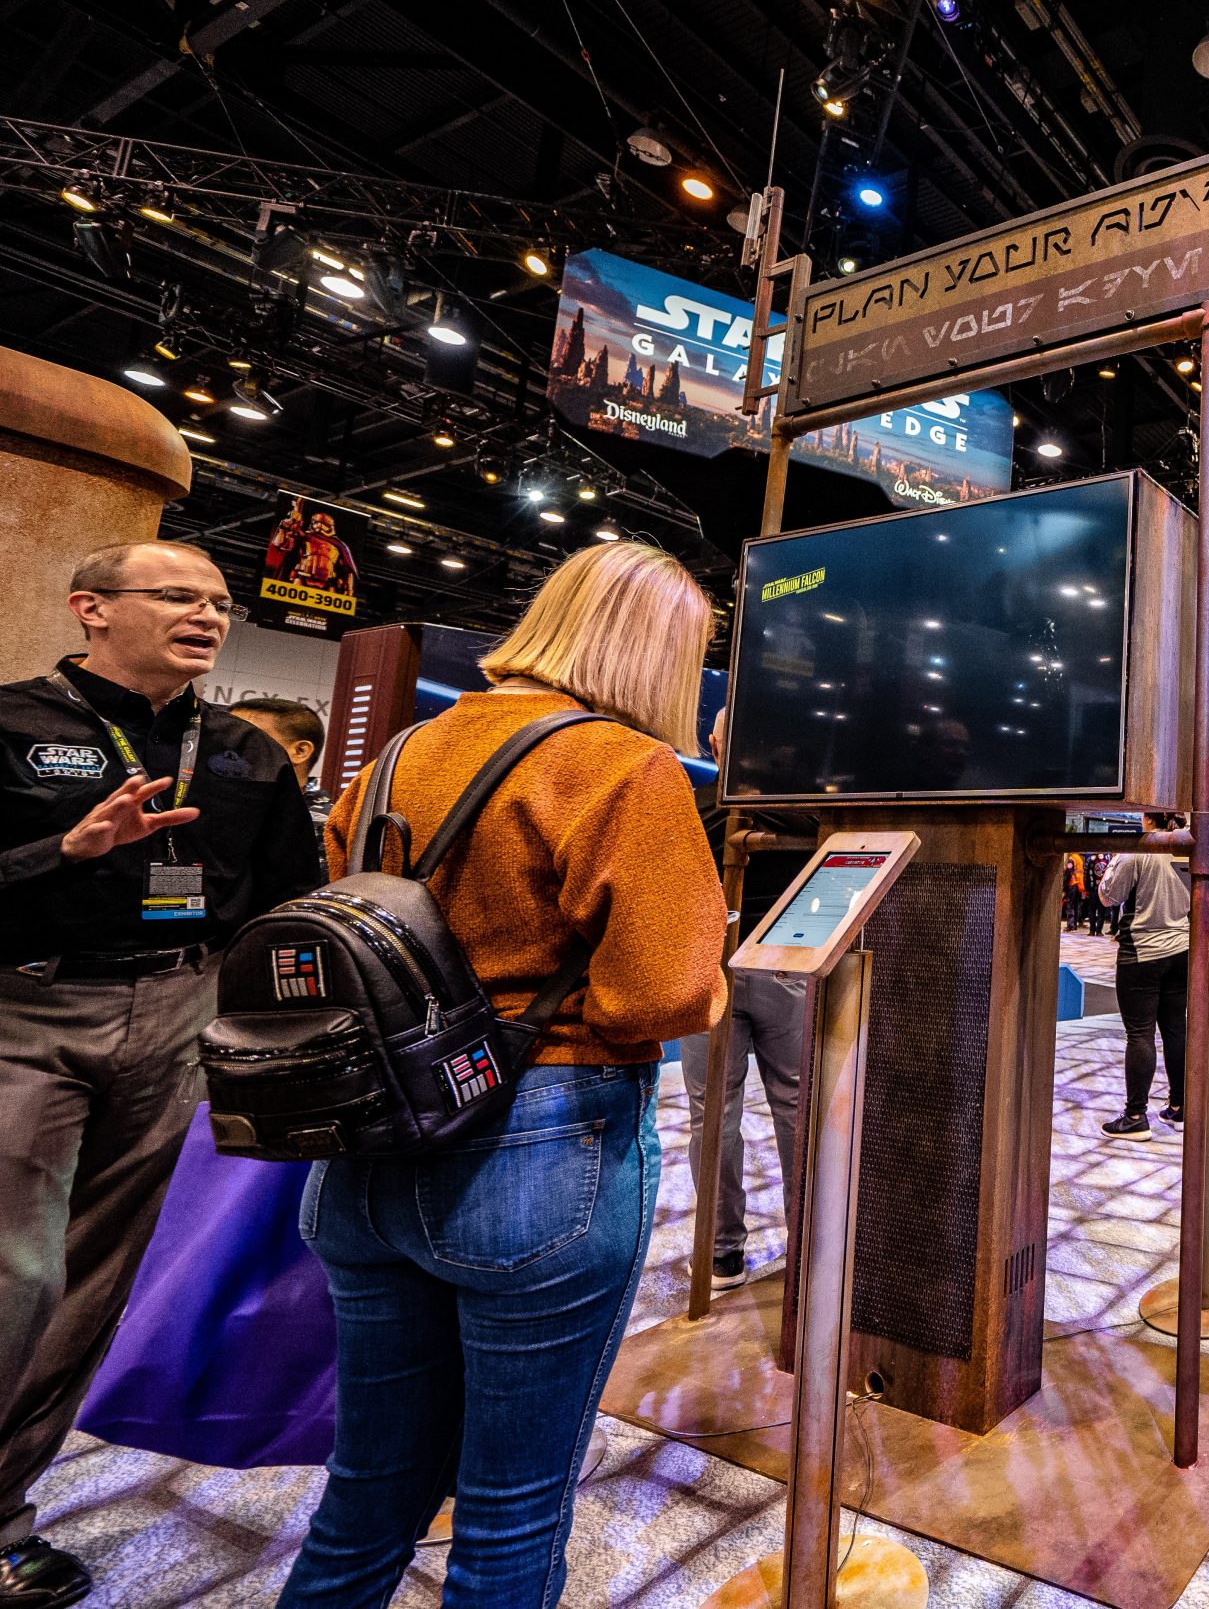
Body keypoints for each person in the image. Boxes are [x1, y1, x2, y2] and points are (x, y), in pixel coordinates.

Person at [278, 542, 726, 1606]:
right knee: (511, 1505)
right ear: (660, 651)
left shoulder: (400, 753)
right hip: (542, 1142)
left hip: (371, 1138)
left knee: (366, 1489)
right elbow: (657, 998)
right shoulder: (621, 764)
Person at [0, 541, 321, 1604]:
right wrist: (63, 854)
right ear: (90, 607)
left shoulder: (245, 753)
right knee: (17, 1272)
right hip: (28, 1005)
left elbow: (287, 901)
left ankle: (2, 1514)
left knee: (96, 1278)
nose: (208, 615)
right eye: (178, 596)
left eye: (220, 603)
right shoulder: (12, 723)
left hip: (182, 1006)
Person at [680, 708, 809, 1292]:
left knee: (712, 1112)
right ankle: (810, 1244)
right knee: (798, 1107)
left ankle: (721, 1255)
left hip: (710, 969)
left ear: (714, 744)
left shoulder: (692, 808)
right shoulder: (803, 809)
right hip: (788, 965)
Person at [1099, 814, 1191, 1140]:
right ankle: (1179, 1107)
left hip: (1142, 951)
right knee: (1175, 1029)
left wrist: (1112, 864)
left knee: (1139, 1034)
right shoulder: (1187, 846)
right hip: (1181, 949)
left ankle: (1136, 1116)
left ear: (1147, 817)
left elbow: (1108, 896)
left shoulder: (1137, 849)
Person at [230, 695, 331, 829]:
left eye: (247, 739)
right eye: (225, 737)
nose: (228, 749)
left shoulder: (327, 827)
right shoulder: (216, 806)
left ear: (300, 751)